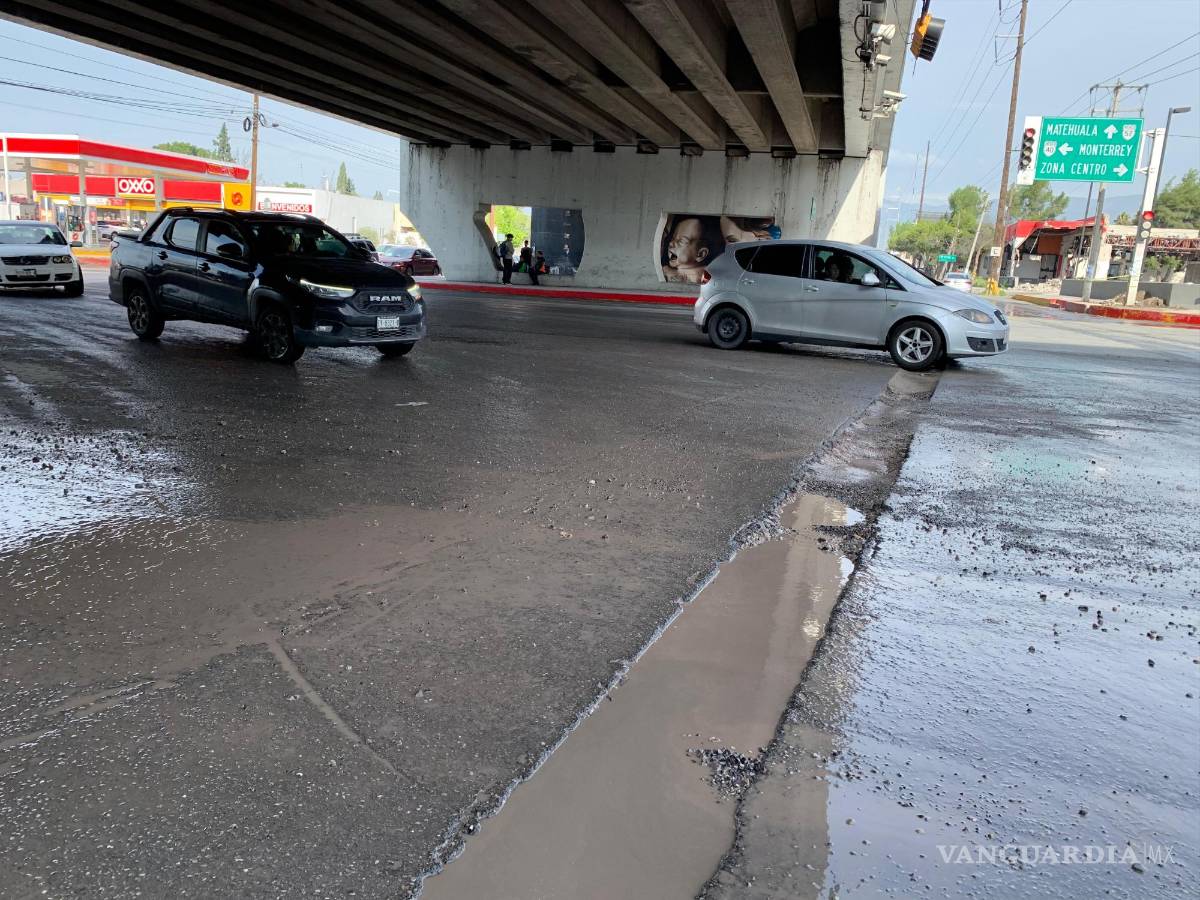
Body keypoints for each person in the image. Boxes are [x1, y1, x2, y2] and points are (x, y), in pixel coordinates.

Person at [663, 216, 716, 284]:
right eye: (673, 238)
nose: (671, 243)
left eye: (681, 241)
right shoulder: (666, 270)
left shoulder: (703, 277)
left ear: (701, 254)